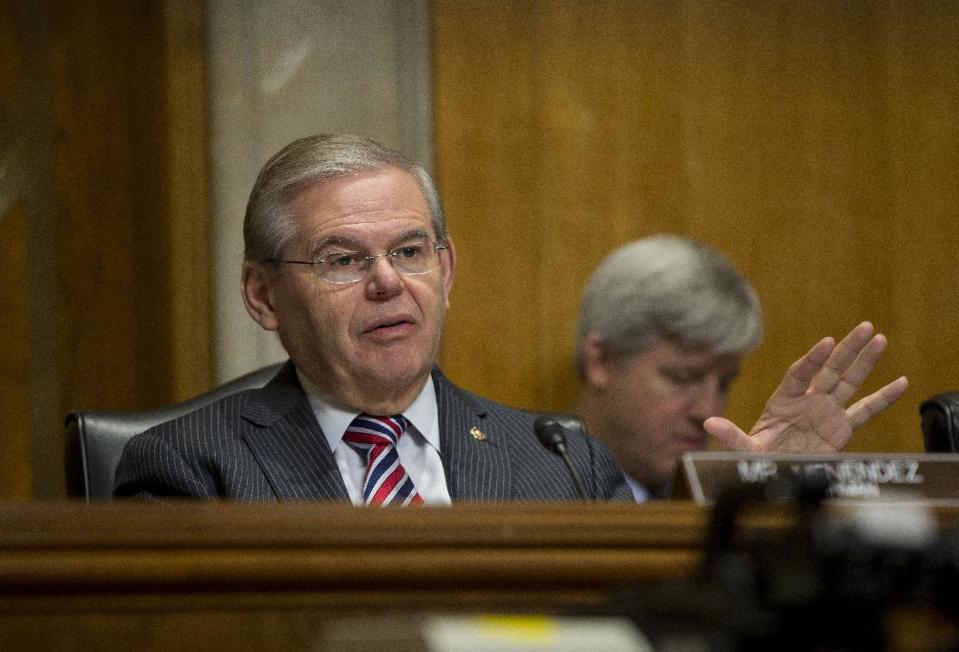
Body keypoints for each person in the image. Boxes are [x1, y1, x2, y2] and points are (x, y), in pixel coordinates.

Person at [114, 135, 908, 504]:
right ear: (261, 297)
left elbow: (658, 621)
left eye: (411, 250)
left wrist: (755, 490)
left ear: (447, 270)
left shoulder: (562, 463)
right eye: (342, 259)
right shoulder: (190, 470)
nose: (389, 282)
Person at [574, 235, 906, 501]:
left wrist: (777, 490)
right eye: (683, 377)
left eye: (724, 384)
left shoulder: (725, 508)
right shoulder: (527, 490)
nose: (707, 412)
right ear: (600, 360)